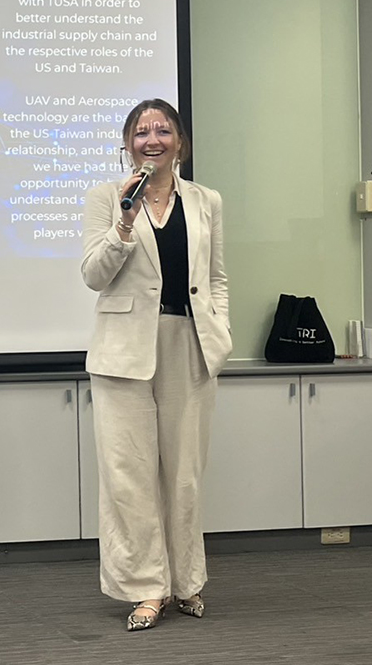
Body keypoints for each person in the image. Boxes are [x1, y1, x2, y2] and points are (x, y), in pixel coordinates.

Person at [80, 98, 232, 632]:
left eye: (162, 130)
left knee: (184, 476)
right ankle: (147, 588)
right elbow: (94, 275)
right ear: (127, 145)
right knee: (130, 477)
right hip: (123, 350)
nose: (152, 138)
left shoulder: (205, 200)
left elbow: (216, 277)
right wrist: (123, 224)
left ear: (179, 143)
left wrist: (221, 333)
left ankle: (186, 582)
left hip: (189, 345)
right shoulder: (107, 197)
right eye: (141, 131)